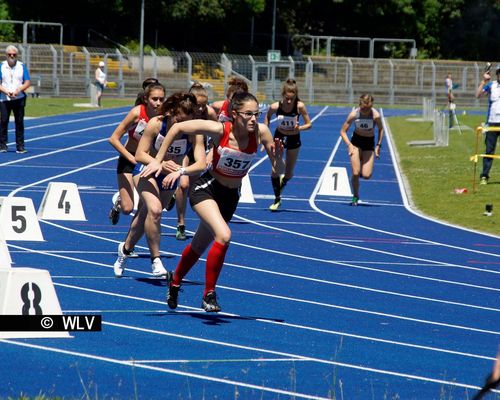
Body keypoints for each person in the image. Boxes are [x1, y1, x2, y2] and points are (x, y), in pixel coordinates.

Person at [142, 91, 283, 312]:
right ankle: (209, 294)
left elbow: (278, 172)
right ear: (235, 114)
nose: (254, 119)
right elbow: (178, 128)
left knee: (199, 245)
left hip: (230, 197)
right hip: (207, 189)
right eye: (249, 114)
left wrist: (278, 159)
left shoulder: (262, 132)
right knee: (224, 235)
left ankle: (175, 281)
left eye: (257, 113)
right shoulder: (220, 130)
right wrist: (158, 161)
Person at [112, 92, 205, 278]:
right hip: (148, 173)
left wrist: (181, 171)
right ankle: (156, 260)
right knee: (154, 211)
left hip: (170, 178)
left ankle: (125, 249)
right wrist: (159, 164)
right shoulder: (156, 124)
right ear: (171, 112)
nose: (181, 126)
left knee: (143, 215)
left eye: (186, 121)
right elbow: (140, 154)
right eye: (179, 120)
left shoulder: (194, 132)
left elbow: (201, 163)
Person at [108, 82, 166, 225]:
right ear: (146, 99)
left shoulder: (165, 117)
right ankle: (118, 205)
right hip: (130, 158)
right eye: (154, 99)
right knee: (128, 208)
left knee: (144, 206)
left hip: (149, 160)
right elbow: (113, 139)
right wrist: (132, 159)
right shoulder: (137, 113)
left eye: (161, 99)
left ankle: (130, 242)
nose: (158, 103)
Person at [171, 82, 218, 241]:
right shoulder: (182, 112)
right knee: (183, 185)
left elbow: (219, 135)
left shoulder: (210, 113)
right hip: (184, 149)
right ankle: (181, 224)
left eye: (203, 106)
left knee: (194, 190)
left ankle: (174, 196)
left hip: (200, 149)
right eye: (197, 105)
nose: (200, 109)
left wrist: (212, 152)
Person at [264, 78, 312, 211]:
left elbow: (309, 124)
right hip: (279, 137)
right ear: (283, 95)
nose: (289, 101)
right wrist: (265, 137)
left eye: (292, 98)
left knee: (289, 173)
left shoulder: (299, 106)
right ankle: (277, 199)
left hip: (293, 138)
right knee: (275, 170)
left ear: (295, 96)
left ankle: (284, 181)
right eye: (287, 98)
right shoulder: (275, 106)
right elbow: (267, 118)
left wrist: (299, 128)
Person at [340, 94, 384, 206]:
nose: (366, 110)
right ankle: (355, 196)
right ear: (360, 105)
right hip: (356, 142)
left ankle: (358, 171)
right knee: (355, 173)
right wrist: (349, 144)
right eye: (364, 108)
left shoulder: (376, 116)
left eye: (368, 108)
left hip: (369, 143)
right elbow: (343, 131)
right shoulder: (354, 114)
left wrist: (378, 145)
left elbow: (381, 129)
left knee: (366, 175)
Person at [0, 45, 31, 154]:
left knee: (19, 122)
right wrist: (6, 91)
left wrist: (19, 90)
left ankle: (20, 146)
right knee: (3, 121)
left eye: (14, 54)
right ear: (6, 55)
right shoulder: (1, 66)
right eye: (10, 54)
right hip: (4, 99)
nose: (12, 56)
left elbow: (27, 82)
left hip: (19, 98)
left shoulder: (21, 66)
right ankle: (2, 145)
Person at [476, 64, 500, 185]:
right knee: (489, 151)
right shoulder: (492, 85)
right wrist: (484, 81)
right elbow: (478, 95)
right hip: (492, 123)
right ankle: (484, 176)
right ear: (497, 74)